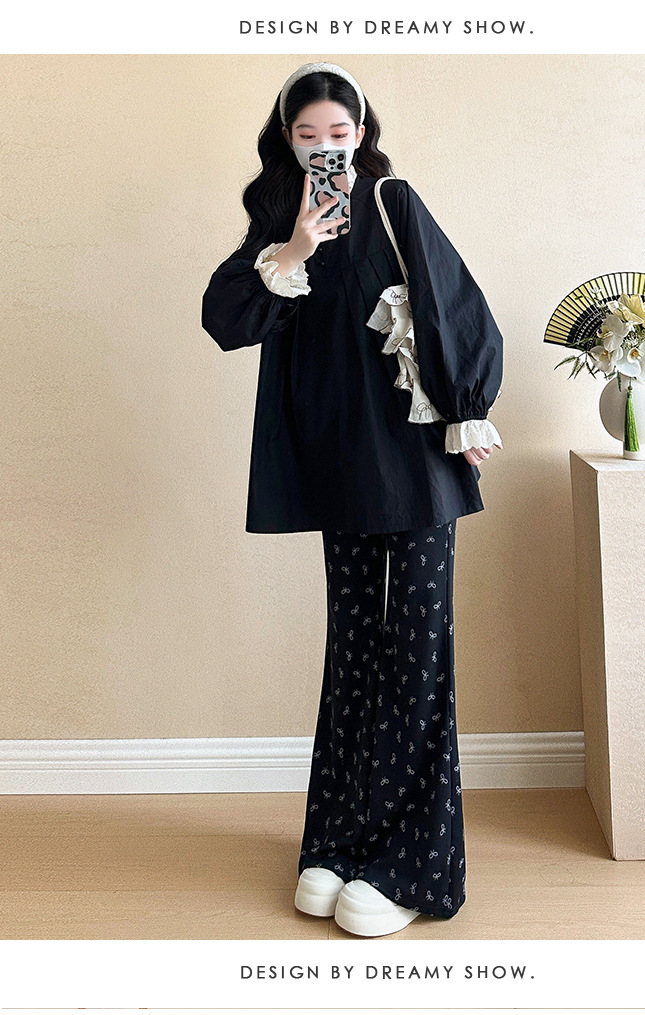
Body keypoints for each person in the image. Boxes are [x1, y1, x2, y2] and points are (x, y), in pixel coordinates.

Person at [201, 61, 504, 937]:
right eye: (309, 136)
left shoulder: (392, 201)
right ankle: (338, 844)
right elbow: (226, 319)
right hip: (336, 466)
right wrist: (294, 250)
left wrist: (469, 409)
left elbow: (457, 307)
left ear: (362, 135)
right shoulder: (277, 220)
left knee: (415, 656)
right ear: (286, 138)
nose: (326, 149)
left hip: (415, 463)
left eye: (340, 134)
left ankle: (411, 868)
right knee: (356, 655)